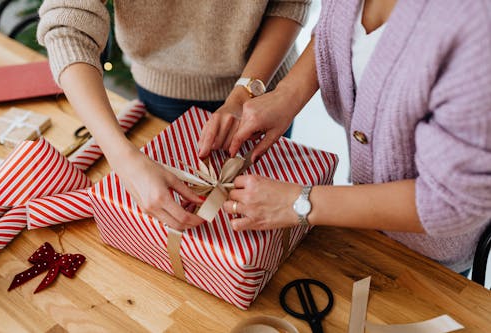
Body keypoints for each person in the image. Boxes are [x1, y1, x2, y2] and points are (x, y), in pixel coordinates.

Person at [198, 0, 491, 274]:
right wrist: (287, 96)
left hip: (427, 256)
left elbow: (452, 202)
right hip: (357, 225)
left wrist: (299, 204)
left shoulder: (477, 24)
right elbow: (335, 28)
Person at [36, 0, 310, 230]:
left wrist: (246, 91)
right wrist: (122, 157)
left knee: (265, 217)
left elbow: (290, 2)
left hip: (264, 90)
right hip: (162, 93)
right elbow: (67, 27)